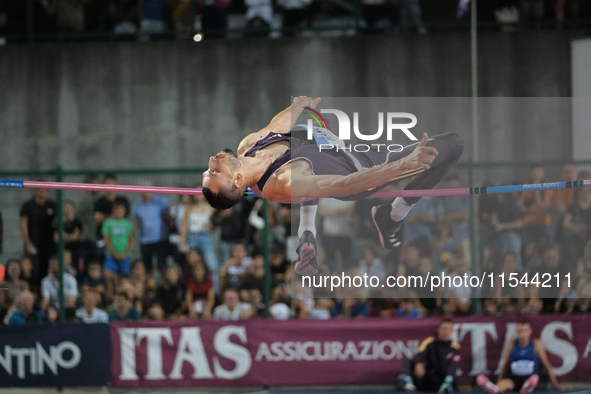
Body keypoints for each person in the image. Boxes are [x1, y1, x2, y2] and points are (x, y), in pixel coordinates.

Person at [202, 96, 464, 275]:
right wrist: (403, 166)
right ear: (236, 180)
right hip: (365, 169)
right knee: (453, 144)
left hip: (341, 149)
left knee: (305, 161)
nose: (212, 160)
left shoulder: (247, 146)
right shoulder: (283, 181)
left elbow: (276, 126)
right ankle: (393, 215)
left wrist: (299, 105)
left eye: (209, 168)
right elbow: (348, 185)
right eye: (214, 171)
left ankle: (308, 229)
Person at [477, 319, 569, 393]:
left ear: (530, 331)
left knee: (532, 381)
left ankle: (527, 388)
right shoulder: (512, 343)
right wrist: (499, 381)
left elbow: (546, 364)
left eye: (525, 331)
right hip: (514, 378)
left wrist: (556, 385)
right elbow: (505, 364)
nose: (522, 334)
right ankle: (494, 388)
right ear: (517, 331)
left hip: (530, 377)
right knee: (504, 384)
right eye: (520, 331)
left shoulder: (536, 344)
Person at [397, 319, 460, 393]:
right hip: (426, 377)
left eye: (449, 328)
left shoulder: (454, 347)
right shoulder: (430, 341)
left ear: (451, 331)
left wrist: (448, 380)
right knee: (408, 360)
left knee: (453, 364)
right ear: (439, 329)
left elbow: (453, 365)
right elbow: (419, 355)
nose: (446, 331)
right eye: (444, 328)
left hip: (440, 379)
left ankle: (447, 384)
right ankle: (408, 382)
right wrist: (419, 363)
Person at [19, 186, 57, 287]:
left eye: (44, 190)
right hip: (33, 243)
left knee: (47, 270)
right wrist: (28, 242)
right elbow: (23, 224)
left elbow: (57, 224)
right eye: (39, 190)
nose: (41, 193)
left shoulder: (52, 205)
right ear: (35, 191)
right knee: (33, 271)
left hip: (49, 245)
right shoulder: (28, 206)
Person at [131, 182, 170, 273]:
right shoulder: (137, 204)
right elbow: (137, 223)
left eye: (147, 190)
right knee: (147, 268)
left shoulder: (161, 201)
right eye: (142, 191)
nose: (145, 193)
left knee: (162, 266)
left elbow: (167, 218)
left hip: (160, 239)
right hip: (145, 240)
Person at [102, 198, 134, 298]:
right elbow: (106, 239)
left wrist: (124, 253)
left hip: (124, 255)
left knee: (122, 277)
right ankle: (111, 295)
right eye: (116, 209)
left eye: (120, 209)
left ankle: (120, 296)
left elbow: (130, 239)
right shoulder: (108, 222)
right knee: (108, 274)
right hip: (111, 255)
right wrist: (113, 253)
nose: (118, 211)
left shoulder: (128, 223)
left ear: (124, 211)